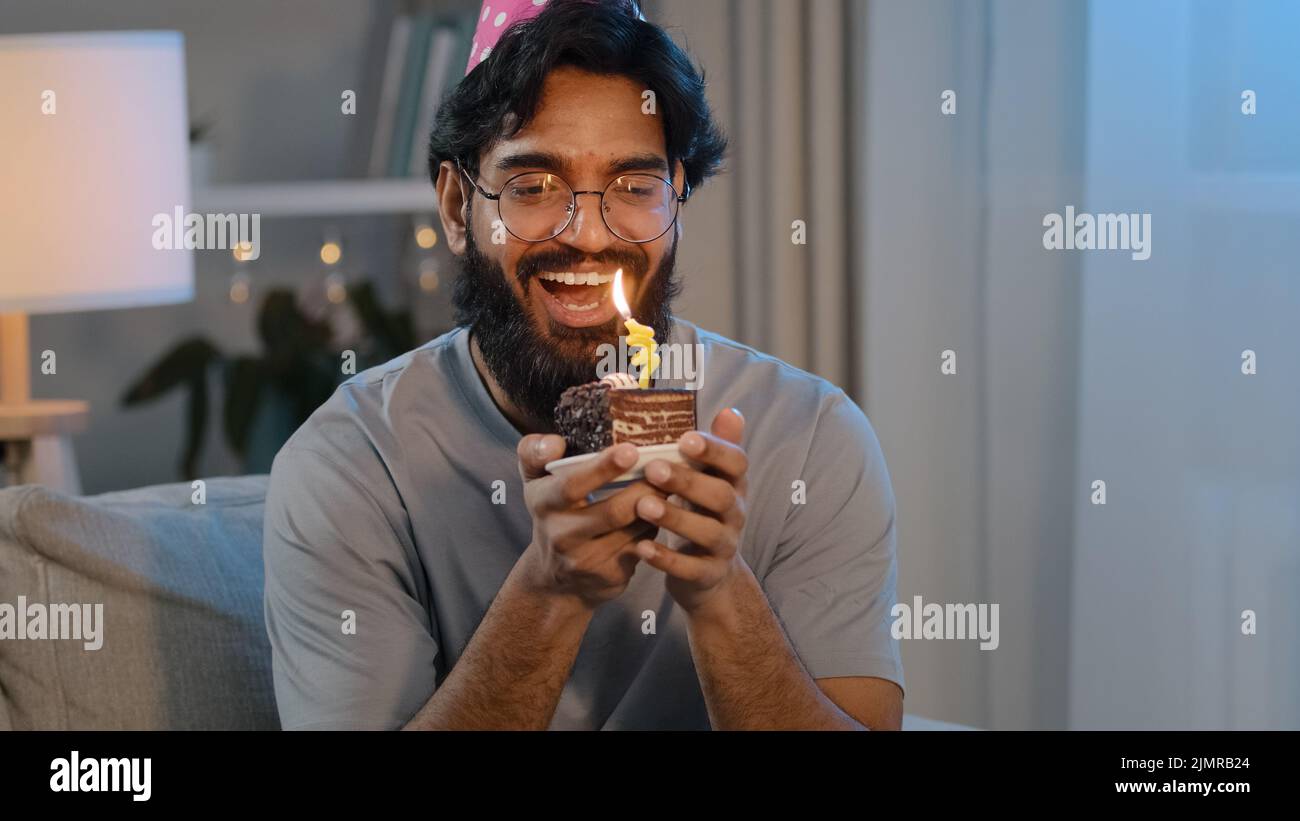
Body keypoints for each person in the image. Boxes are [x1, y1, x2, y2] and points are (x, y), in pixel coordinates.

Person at [263, 0, 904, 730]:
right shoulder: (352, 467)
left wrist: (721, 586)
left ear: (678, 200)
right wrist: (550, 591)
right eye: (533, 187)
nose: (590, 235)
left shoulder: (810, 439)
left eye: (635, 187)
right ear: (453, 205)